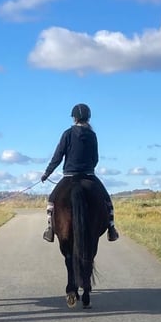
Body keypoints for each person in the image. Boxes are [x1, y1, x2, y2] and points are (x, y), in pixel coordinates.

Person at [40, 103, 119, 243]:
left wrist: (47, 173)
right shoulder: (92, 135)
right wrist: (88, 168)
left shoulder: (67, 134)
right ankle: (111, 228)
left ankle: (50, 229)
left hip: (69, 176)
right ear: (88, 118)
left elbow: (58, 156)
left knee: (52, 200)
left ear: (74, 118)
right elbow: (95, 158)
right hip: (89, 175)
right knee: (107, 201)